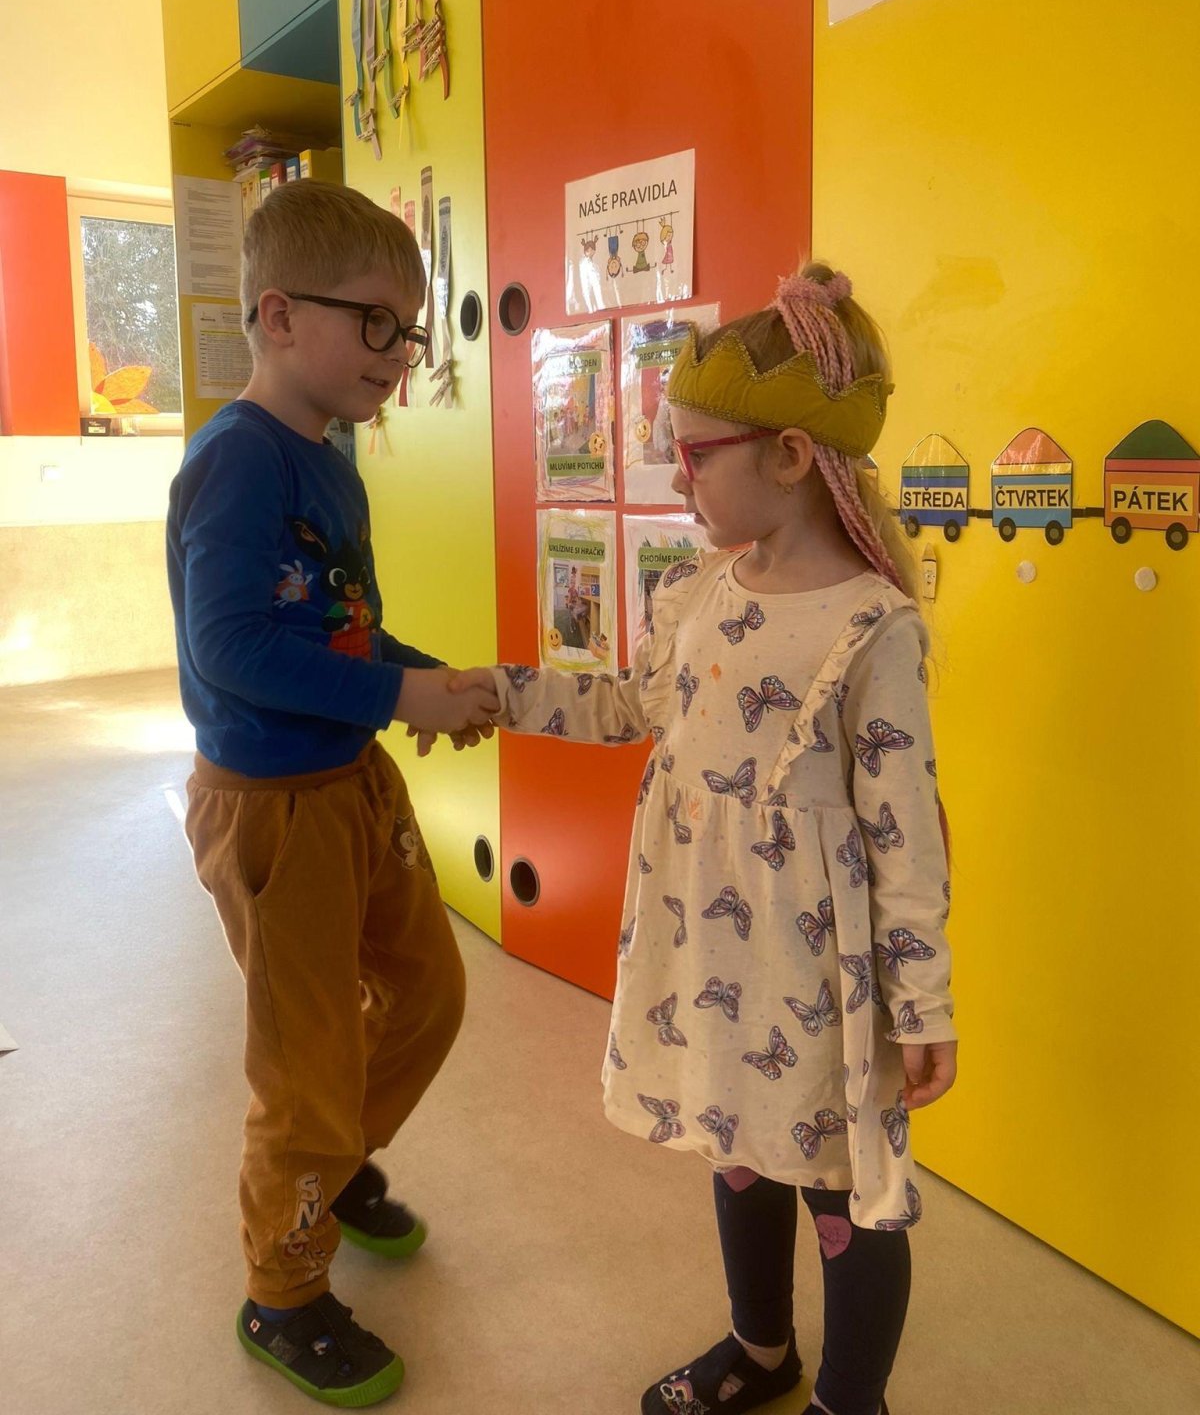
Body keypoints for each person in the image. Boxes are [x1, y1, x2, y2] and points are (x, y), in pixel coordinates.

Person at [456, 267, 956, 1415]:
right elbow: (625, 707)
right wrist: (492, 690)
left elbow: (905, 836)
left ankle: (850, 1401)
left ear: (791, 455)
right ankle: (761, 1348)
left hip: (822, 970)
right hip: (710, 943)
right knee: (734, 1142)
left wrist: (924, 1003)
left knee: (843, 1190)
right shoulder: (694, 594)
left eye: (694, 454)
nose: (675, 475)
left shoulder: (872, 626)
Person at [166, 180, 498, 1406]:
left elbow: (339, 629)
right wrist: (398, 696)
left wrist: (424, 678)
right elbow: (232, 650)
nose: (400, 355)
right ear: (278, 315)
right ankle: (284, 1289)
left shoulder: (332, 461)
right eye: (375, 324)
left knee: (428, 991)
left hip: (355, 781)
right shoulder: (236, 463)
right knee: (305, 1062)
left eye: (409, 330)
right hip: (275, 807)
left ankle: (340, 1159)